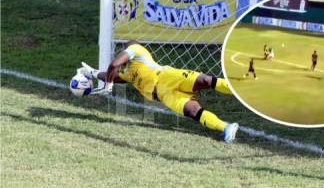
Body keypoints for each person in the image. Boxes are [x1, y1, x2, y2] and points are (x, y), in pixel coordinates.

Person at [78, 41, 239, 143]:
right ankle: (226, 128)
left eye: (123, 50)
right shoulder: (126, 73)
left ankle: (240, 89)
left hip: (167, 77)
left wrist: (108, 84)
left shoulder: (136, 49)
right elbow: (109, 75)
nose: (121, 52)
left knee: (205, 81)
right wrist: (91, 72)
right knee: (193, 111)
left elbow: (113, 64)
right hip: (162, 95)